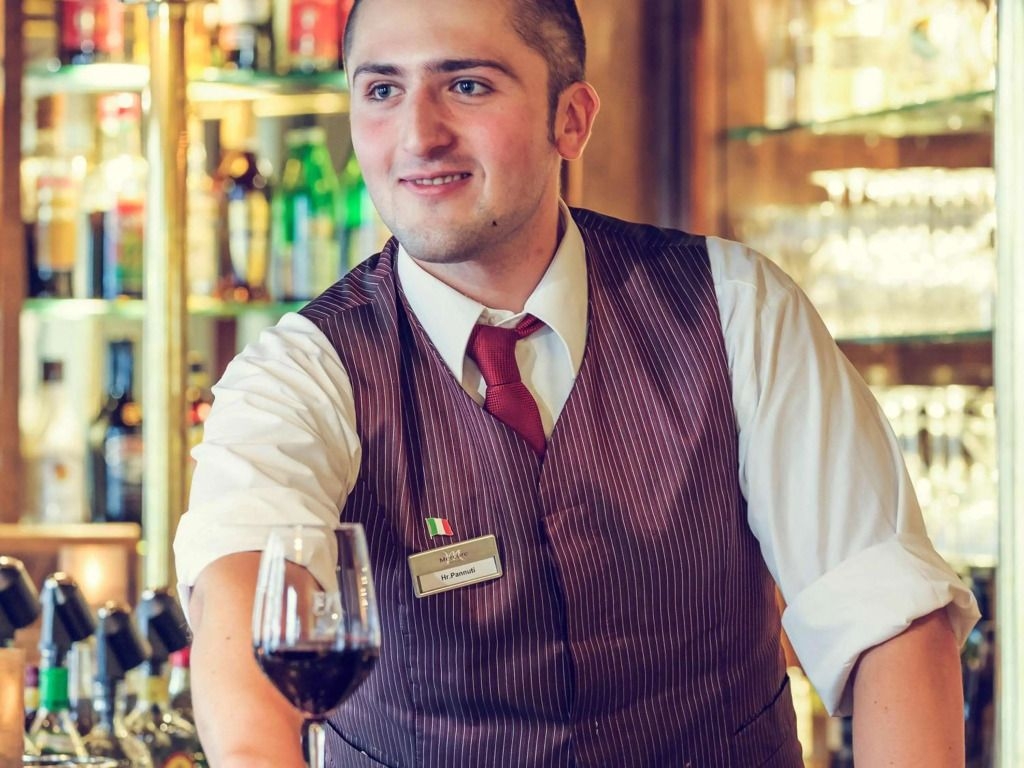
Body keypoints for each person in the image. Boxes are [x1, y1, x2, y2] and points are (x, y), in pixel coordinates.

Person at [174, 0, 980, 765]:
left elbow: (890, 618)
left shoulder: (735, 307)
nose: (418, 135)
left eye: (467, 85)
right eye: (382, 90)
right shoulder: (303, 370)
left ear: (572, 119)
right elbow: (242, 613)